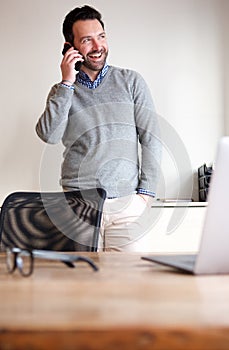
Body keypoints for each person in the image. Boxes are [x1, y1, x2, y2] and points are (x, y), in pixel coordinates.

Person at [36, 5, 161, 251]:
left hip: (127, 204)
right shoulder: (62, 91)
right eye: (86, 40)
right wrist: (67, 83)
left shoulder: (131, 81)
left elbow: (151, 138)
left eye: (101, 36)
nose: (97, 46)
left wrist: (145, 194)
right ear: (70, 47)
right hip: (78, 205)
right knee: (82, 284)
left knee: (129, 282)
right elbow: (49, 135)